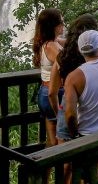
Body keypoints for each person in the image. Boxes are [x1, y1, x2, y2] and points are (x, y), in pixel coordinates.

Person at [47, 15, 98, 184]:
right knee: (90, 163)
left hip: (67, 109)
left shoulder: (62, 59)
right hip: (90, 111)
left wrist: (59, 112)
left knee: (66, 164)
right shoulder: (93, 59)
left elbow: (52, 92)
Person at [32, 8, 66, 149]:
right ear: (54, 26)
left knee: (52, 142)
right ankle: (65, 171)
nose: (64, 25)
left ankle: (42, 171)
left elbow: (69, 42)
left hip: (45, 92)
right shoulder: (52, 47)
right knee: (63, 142)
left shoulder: (48, 42)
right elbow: (67, 65)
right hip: (54, 95)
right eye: (62, 22)